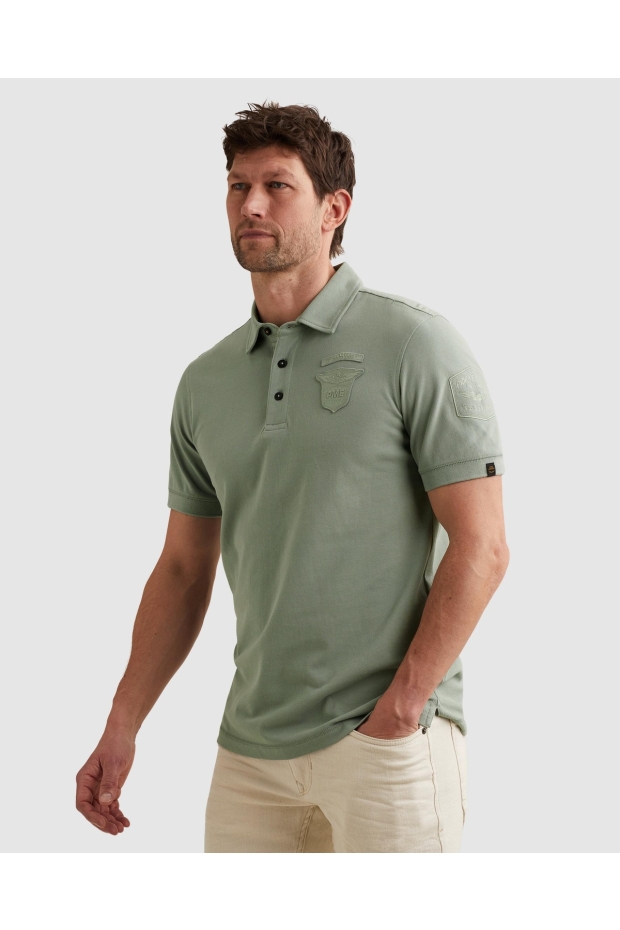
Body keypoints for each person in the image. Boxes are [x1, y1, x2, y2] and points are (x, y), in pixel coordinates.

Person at [76, 101, 510, 853]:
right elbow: (182, 569)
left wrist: (403, 709)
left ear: (335, 209)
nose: (251, 204)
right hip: (250, 754)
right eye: (237, 185)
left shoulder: (415, 343)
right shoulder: (205, 381)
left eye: (277, 186)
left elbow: (485, 546)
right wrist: (123, 723)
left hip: (387, 743)